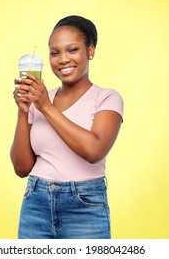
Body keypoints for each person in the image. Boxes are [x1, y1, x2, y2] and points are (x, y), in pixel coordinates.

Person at [10, 15, 123, 239]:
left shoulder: (106, 98)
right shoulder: (38, 101)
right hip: (36, 203)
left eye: (72, 50)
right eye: (54, 53)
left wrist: (46, 107)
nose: (63, 59)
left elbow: (94, 151)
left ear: (90, 51)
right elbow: (22, 168)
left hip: (85, 205)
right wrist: (24, 111)